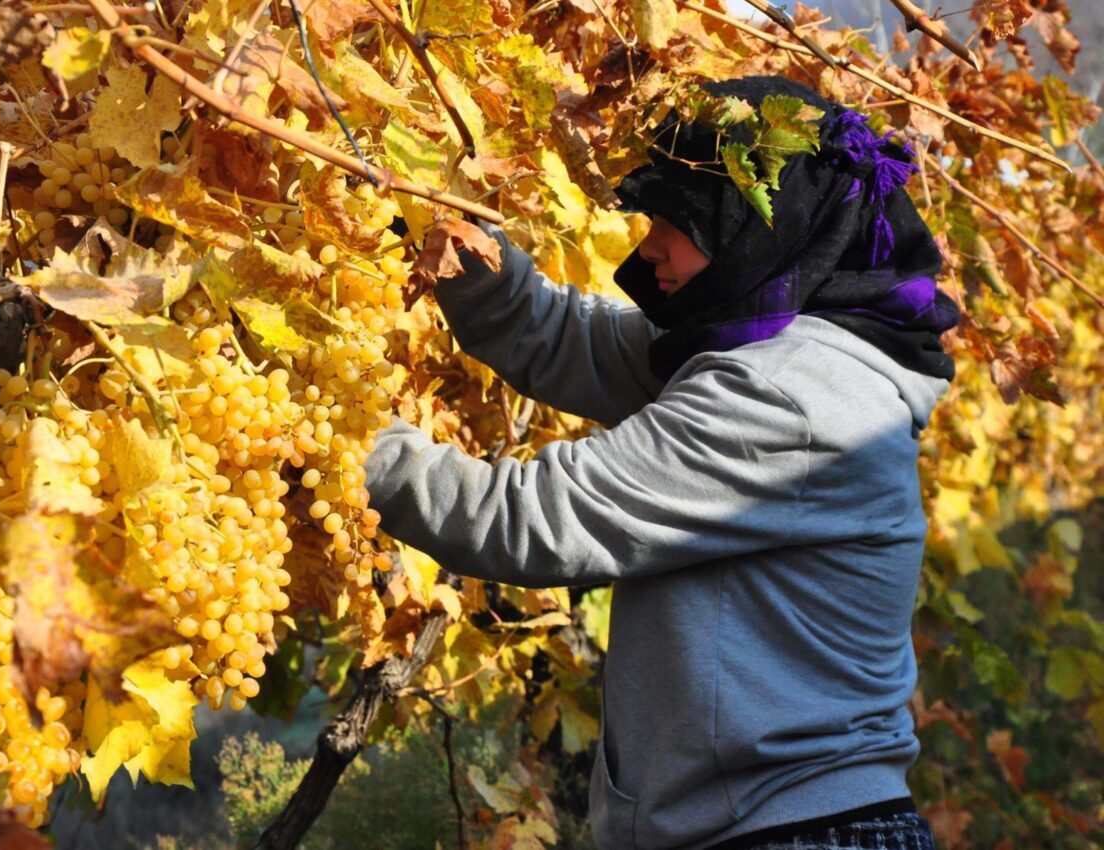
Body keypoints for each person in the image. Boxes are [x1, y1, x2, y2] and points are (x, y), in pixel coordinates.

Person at [362, 75, 959, 850]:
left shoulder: (789, 396)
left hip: (788, 835)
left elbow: (530, 520)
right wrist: (446, 236)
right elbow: (570, 339)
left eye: (681, 222)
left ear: (765, 226)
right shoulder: (774, 345)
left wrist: (339, 437)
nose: (649, 249)